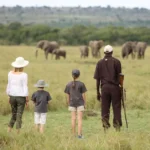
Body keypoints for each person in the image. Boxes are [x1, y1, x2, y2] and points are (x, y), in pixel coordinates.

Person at [94, 45, 122, 131]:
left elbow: (98, 79)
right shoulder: (117, 61)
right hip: (115, 88)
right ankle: (117, 127)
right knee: (116, 107)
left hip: (104, 88)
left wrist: (98, 92)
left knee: (104, 108)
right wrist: (121, 88)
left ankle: (105, 127)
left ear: (104, 52)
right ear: (112, 52)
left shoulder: (99, 62)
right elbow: (120, 77)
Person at [6, 57, 29, 133]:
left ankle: (9, 130)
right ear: (22, 66)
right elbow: (25, 86)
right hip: (21, 97)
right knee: (19, 114)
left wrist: (9, 96)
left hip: (12, 96)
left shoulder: (10, 73)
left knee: (14, 114)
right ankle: (18, 132)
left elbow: (9, 85)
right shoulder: (24, 75)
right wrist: (27, 97)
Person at [64, 69, 87, 139]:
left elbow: (67, 95)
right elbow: (83, 95)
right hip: (80, 103)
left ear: (72, 75)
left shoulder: (68, 84)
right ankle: (79, 135)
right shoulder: (81, 84)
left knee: (73, 119)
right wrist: (85, 103)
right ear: (79, 75)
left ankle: (73, 135)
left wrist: (68, 103)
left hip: (72, 103)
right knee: (79, 119)